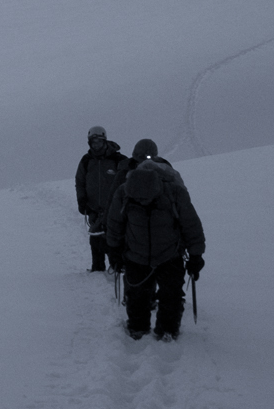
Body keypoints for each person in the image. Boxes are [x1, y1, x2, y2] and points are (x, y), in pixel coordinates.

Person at [105, 138, 206, 340]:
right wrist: (113, 250)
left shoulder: (174, 192)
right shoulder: (124, 193)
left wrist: (196, 255)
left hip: (169, 254)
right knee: (136, 295)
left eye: (147, 199)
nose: (143, 202)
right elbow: (115, 223)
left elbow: (190, 224)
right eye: (138, 200)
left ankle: (167, 331)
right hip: (136, 254)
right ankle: (138, 329)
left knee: (171, 295)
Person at [73, 125, 128, 272]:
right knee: (95, 239)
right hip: (94, 209)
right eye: (93, 142)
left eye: (99, 141)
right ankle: (97, 269)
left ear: (105, 141)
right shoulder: (86, 160)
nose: (96, 145)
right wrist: (82, 200)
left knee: (113, 238)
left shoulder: (118, 160)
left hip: (115, 209)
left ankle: (117, 267)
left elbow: (128, 181)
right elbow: (80, 181)